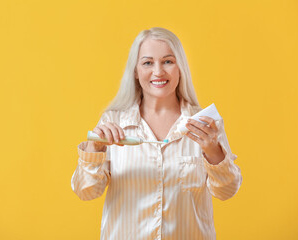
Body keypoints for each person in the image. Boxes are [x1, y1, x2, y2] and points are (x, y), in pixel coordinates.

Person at [71, 27, 242, 240]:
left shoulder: (206, 124)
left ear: (181, 67)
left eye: (168, 61)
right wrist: (94, 150)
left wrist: (213, 151)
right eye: (148, 63)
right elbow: (86, 192)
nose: (158, 72)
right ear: (135, 71)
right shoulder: (112, 123)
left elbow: (227, 192)